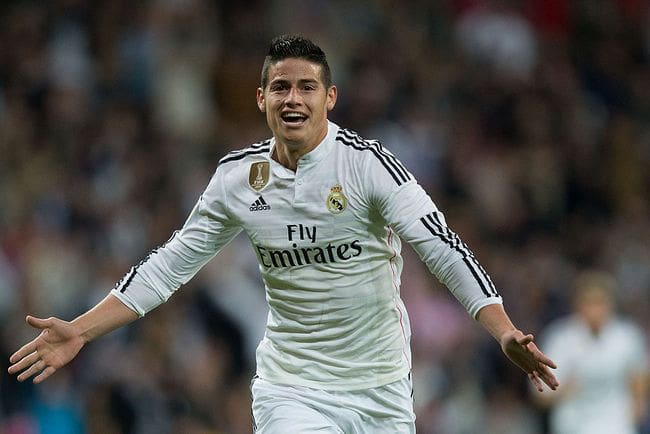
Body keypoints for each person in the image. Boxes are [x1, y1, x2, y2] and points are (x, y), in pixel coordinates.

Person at [8, 34, 558, 433]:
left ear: (330, 98)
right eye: (280, 87)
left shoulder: (369, 167)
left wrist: (503, 329)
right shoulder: (235, 180)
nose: (293, 98)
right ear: (261, 99)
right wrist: (80, 330)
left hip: (381, 389)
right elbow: (168, 265)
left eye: (307, 88)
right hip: (291, 388)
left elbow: (442, 247)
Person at [535, 270, 648, 434]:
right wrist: (565, 389)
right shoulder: (560, 338)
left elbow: (639, 376)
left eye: (600, 302)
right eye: (589, 303)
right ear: (577, 304)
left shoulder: (627, 336)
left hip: (617, 425)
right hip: (573, 425)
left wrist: (637, 407)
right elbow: (540, 395)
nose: (595, 309)